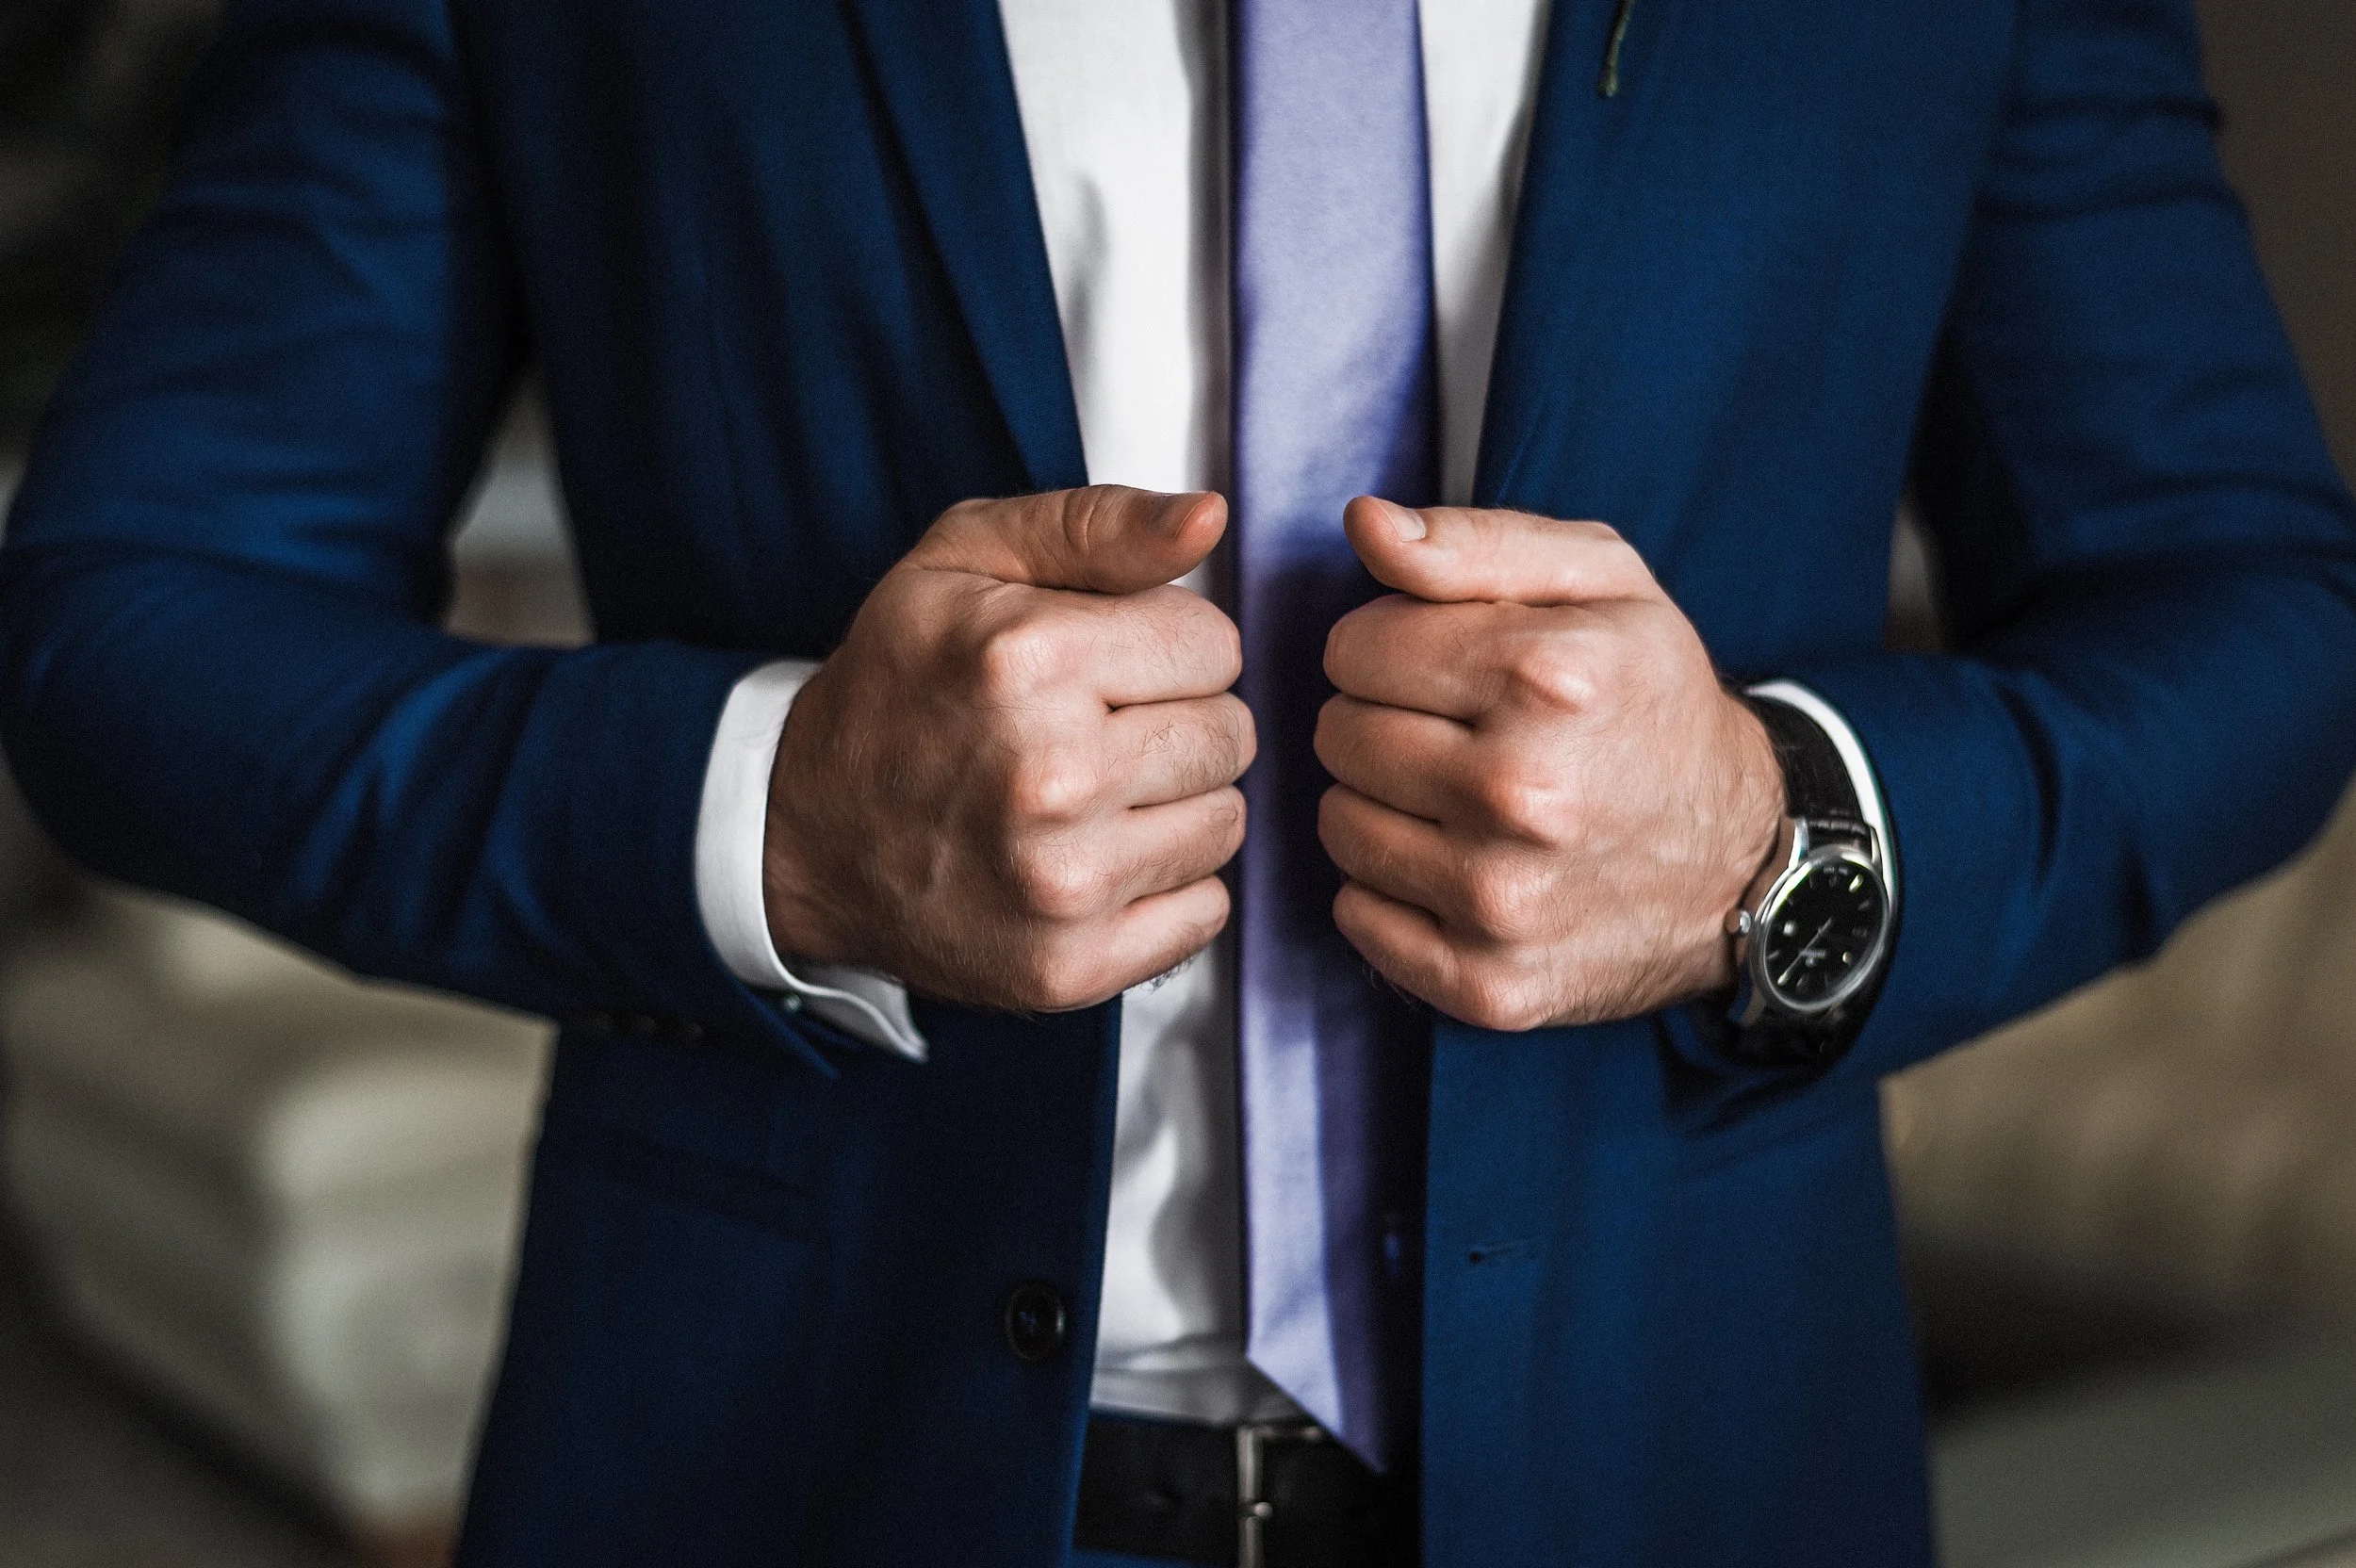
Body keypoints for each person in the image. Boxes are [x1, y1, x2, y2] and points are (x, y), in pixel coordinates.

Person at [3, 0, 2352, 1562]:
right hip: (780, 1470)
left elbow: (2250, 600)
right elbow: (118, 616)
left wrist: (1777, 842)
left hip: (1689, 1463)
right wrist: (770, 819)